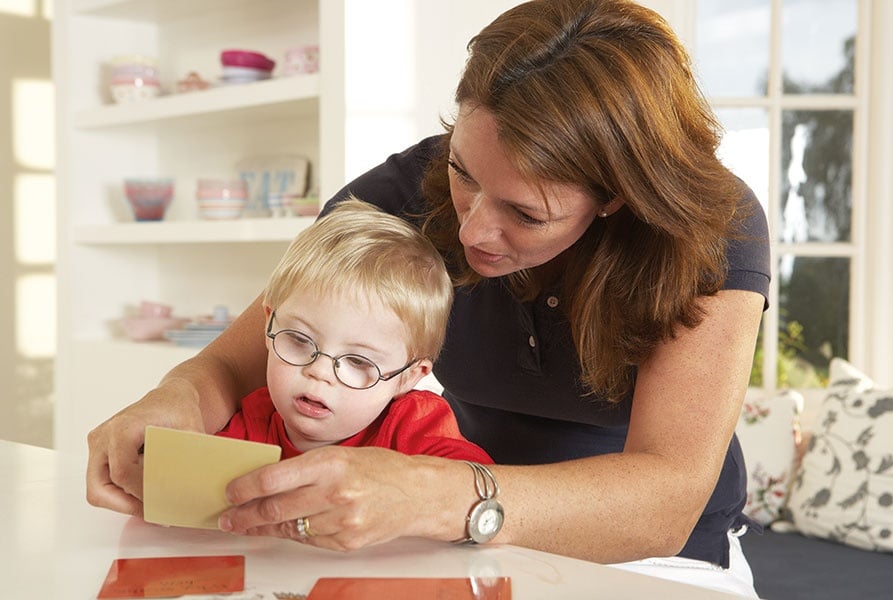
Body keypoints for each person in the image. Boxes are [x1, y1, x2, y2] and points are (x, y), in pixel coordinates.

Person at [86, 0, 770, 596]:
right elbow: (237, 360)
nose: (471, 228)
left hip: (657, 564)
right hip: (449, 539)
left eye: (526, 215)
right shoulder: (401, 194)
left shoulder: (710, 230)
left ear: (616, 196)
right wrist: (170, 401)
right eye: (462, 172)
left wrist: (431, 498)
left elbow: (665, 500)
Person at [214, 198, 492, 469]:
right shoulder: (251, 422)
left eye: (358, 361)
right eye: (299, 340)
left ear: (407, 377)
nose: (319, 372)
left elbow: (479, 490)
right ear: (268, 323)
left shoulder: (414, 427)